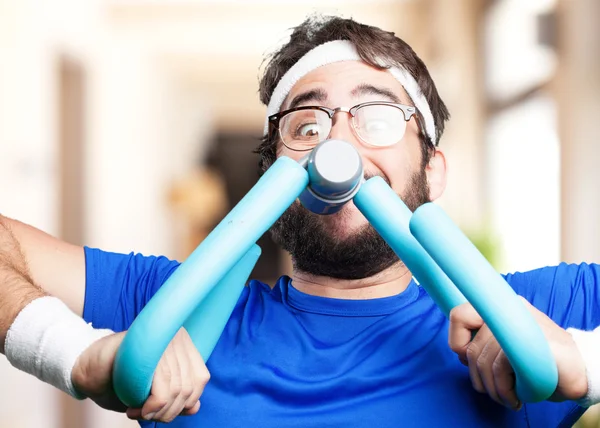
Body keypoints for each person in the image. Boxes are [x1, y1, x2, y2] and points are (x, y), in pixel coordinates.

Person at [2, 15, 600, 427]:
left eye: (377, 117)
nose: (335, 145)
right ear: (273, 172)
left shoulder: (521, 319)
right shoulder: (173, 310)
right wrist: (73, 353)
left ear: (433, 169)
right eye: (307, 125)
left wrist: (582, 361)